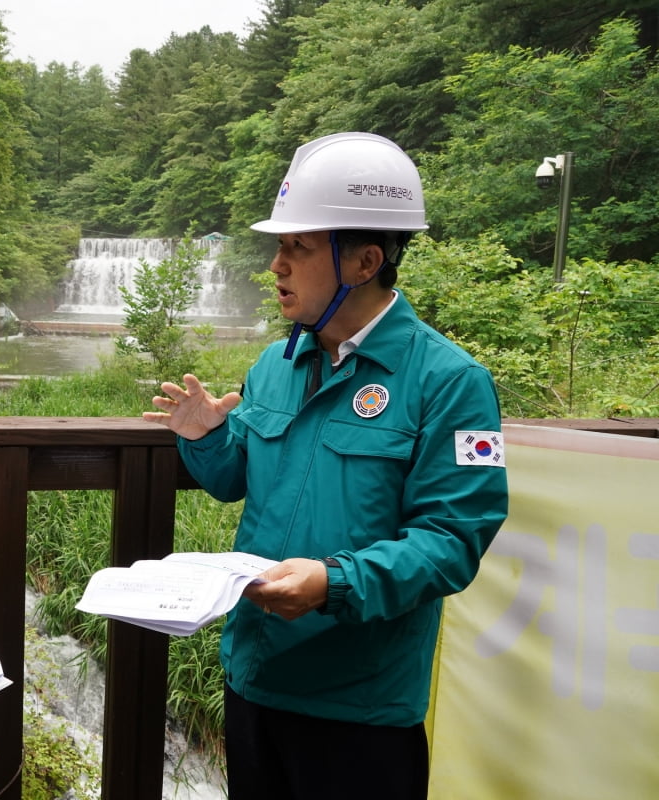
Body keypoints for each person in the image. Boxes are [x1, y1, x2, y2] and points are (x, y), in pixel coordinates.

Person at [144, 132, 508, 799]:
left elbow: (453, 541)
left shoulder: (450, 383)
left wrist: (334, 581)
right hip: (254, 680)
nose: (276, 265)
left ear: (364, 261)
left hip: (359, 708)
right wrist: (203, 436)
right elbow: (233, 481)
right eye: (280, 246)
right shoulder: (275, 365)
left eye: (298, 247)